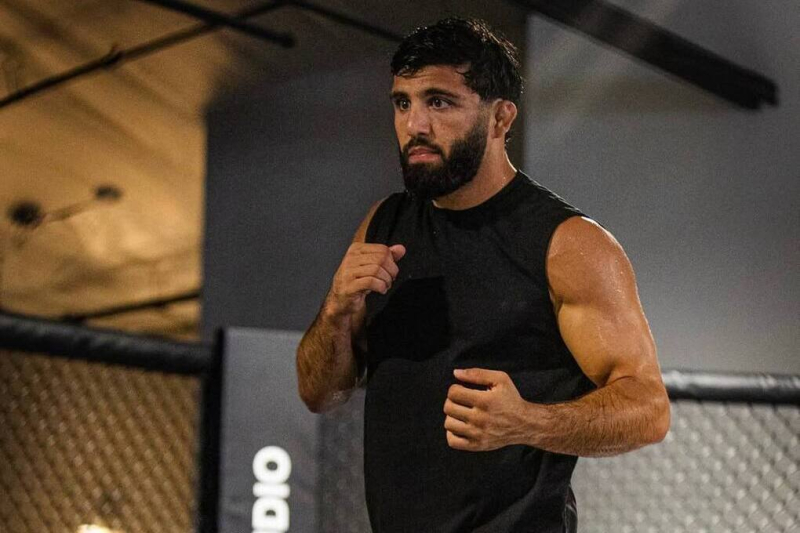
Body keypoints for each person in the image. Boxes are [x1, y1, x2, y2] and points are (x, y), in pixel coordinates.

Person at [296, 17, 670, 533]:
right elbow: (320, 393)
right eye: (402, 103)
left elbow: (648, 408)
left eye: (439, 102)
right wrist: (336, 309)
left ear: (500, 118)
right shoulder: (385, 224)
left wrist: (529, 422)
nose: (415, 124)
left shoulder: (568, 244)